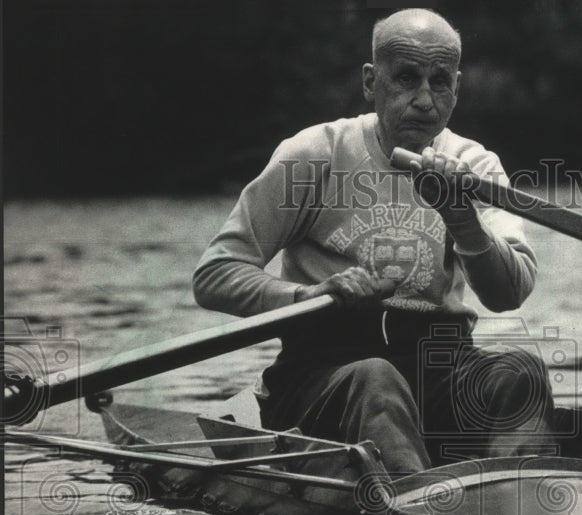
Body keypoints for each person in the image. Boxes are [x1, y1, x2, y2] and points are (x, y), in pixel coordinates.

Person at [193, 8, 555, 473]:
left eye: (439, 81)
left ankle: (519, 505)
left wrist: (463, 220)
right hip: (328, 368)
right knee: (377, 379)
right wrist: (309, 294)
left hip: (441, 365)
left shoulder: (474, 166)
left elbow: (509, 294)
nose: (425, 100)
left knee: (520, 371)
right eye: (406, 78)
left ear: (457, 88)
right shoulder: (312, 156)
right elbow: (215, 274)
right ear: (371, 82)